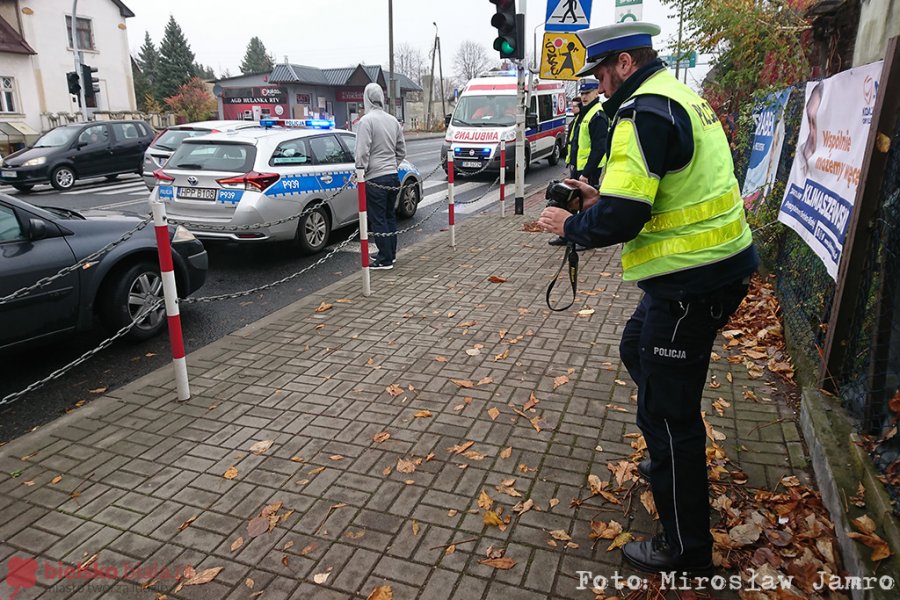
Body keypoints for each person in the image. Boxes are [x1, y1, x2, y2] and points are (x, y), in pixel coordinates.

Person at [537, 21, 758, 575]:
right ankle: (674, 435)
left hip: (691, 283)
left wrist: (572, 225)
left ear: (626, 65)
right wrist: (599, 195)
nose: (600, 83)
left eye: (604, 71)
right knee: (637, 348)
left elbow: (629, 215)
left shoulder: (640, 112)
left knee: (663, 414)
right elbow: (660, 188)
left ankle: (686, 548)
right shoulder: (680, 97)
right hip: (708, 271)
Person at [549, 79, 607, 247]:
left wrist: (586, 173)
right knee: (572, 200)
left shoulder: (597, 114)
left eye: (587, 93)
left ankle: (587, 239)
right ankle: (567, 235)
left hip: (588, 169)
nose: (584, 97)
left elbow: (599, 148)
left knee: (587, 204)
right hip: (577, 166)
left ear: (596, 92)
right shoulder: (585, 113)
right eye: (582, 93)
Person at [355, 82, 406, 270]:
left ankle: (384, 259)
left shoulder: (366, 121)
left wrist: (361, 172)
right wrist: (393, 165)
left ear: (366, 98)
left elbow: (362, 152)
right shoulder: (392, 121)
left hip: (374, 178)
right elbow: (402, 150)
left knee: (378, 219)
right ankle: (390, 254)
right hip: (393, 176)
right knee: (389, 216)